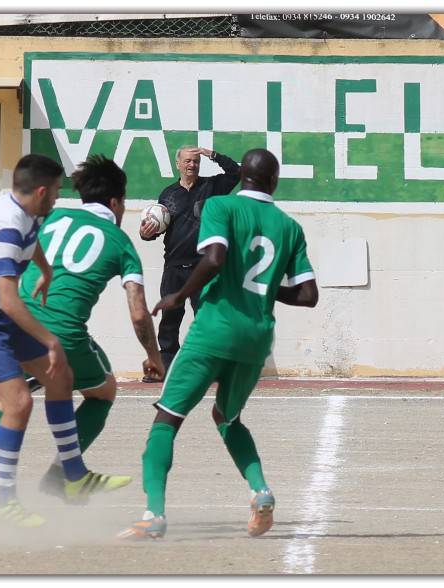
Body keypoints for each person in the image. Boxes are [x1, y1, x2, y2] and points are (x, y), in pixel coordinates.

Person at [0, 154, 132, 528]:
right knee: (17, 401)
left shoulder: (22, 208)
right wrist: (49, 341)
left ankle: (74, 476)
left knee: (60, 376)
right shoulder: (7, 225)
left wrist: (46, 272)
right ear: (43, 191)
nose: (60, 199)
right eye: (57, 192)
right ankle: (6, 502)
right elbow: (9, 300)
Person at [119, 148, 319, 540]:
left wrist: (178, 296)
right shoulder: (290, 227)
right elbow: (308, 295)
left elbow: (214, 257)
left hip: (216, 326)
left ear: (241, 175)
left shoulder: (220, 206)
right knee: (226, 417)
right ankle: (261, 492)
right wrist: (261, 289)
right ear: (274, 182)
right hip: (257, 336)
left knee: (167, 419)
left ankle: (153, 514)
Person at [0, 155, 167, 506]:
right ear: (116, 203)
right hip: (62, 336)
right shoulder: (119, 241)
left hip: (15, 323)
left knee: (4, 402)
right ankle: (62, 474)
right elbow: (139, 313)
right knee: (103, 392)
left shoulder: (50, 217)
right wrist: (153, 356)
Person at [139, 146, 240, 373]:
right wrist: (147, 234)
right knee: (169, 320)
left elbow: (236, 174)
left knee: (206, 319)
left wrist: (214, 154)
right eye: (187, 161)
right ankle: (167, 365)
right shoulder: (168, 194)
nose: (192, 165)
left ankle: (210, 366)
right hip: (174, 267)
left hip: (202, 267)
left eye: (195, 161)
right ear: (178, 164)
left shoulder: (212, 187)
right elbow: (158, 228)